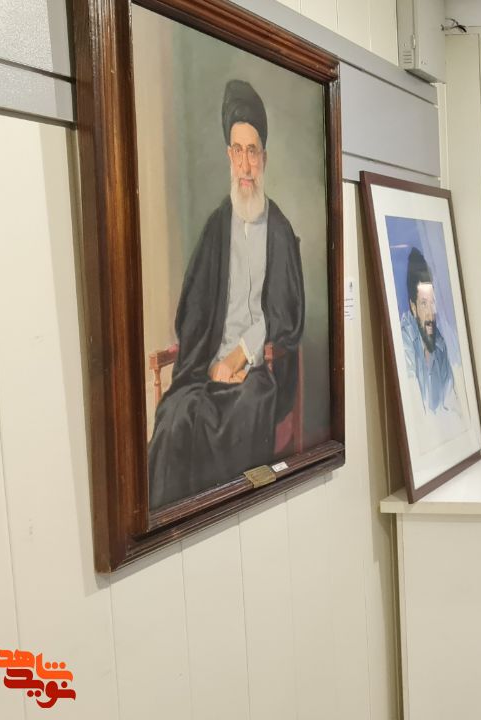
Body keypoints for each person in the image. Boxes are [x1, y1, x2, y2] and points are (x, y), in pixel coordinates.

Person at [148, 79, 305, 510]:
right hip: (207, 369)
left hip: (257, 371)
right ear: (228, 157)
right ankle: (171, 520)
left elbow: (284, 315)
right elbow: (193, 313)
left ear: (264, 158)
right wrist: (213, 366)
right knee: (175, 416)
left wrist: (237, 359)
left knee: (245, 410)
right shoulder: (216, 228)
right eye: (238, 151)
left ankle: (226, 515)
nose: (246, 164)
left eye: (253, 151)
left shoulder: (279, 231)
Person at [400, 247, 456, 413]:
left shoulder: (439, 343)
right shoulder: (404, 341)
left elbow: (451, 400)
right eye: (424, 303)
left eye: (432, 302)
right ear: (413, 307)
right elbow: (414, 408)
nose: (430, 313)